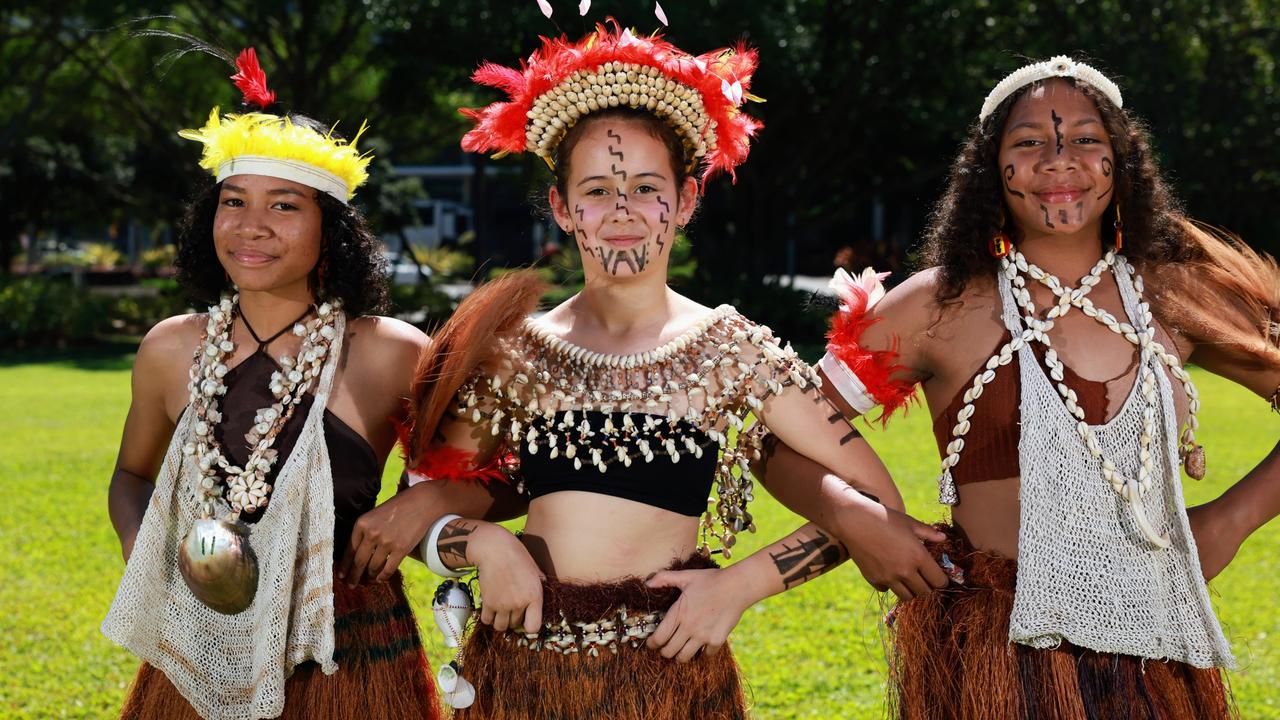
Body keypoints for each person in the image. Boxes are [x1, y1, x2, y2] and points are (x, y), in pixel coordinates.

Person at [339, 23, 948, 720]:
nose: (623, 210)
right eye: (597, 190)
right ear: (564, 210)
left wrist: (740, 585)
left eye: (646, 187)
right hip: (521, 677)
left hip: (671, 673)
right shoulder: (516, 353)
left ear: (685, 202)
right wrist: (485, 544)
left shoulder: (732, 350)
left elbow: (878, 508)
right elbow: (416, 512)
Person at [764, 55, 1280, 718]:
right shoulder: (938, 307)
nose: (1059, 160)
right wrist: (856, 518)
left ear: (1121, 161)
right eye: (1029, 142)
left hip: (1155, 652)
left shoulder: (1175, 298)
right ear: (990, 171)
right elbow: (774, 439)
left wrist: (1230, 521)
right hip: (994, 659)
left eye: (1087, 140)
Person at [100, 48, 438, 720]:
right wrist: (152, 555)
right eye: (233, 202)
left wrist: (422, 505)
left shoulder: (389, 353)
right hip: (199, 651)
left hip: (349, 653)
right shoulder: (171, 348)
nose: (251, 226)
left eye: (284, 206)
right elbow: (131, 477)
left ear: (331, 230)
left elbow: (491, 479)